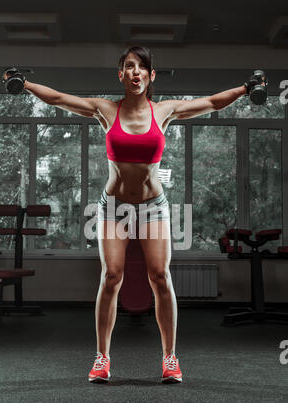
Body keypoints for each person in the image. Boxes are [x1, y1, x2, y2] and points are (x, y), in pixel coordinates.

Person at [18, 45, 252, 384]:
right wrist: (24, 85)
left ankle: (170, 358)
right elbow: (57, 99)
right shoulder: (106, 110)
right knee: (111, 277)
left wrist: (246, 89)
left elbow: (213, 102)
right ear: (121, 74)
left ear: (150, 75)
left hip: (153, 208)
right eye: (129, 66)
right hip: (114, 208)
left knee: (160, 278)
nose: (135, 72)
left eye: (141, 67)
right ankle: (102, 358)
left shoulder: (164, 111)